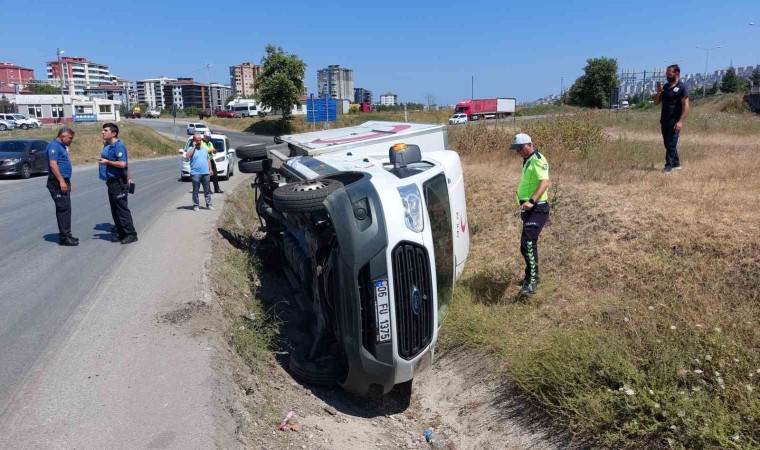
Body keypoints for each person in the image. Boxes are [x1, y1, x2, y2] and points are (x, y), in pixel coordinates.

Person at [511, 133, 550, 296]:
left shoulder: (538, 159)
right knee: (525, 245)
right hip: (529, 210)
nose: (518, 152)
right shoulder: (527, 160)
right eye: (516, 150)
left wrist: (532, 201)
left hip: (538, 208)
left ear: (529, 145)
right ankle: (531, 276)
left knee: (527, 244)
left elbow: (544, 182)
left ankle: (532, 282)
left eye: (520, 148)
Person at [99, 123, 138, 244]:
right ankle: (121, 233)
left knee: (122, 209)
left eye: (105, 130)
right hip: (110, 181)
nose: (103, 132)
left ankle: (131, 234)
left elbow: (123, 164)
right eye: (103, 130)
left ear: (113, 133)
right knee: (115, 209)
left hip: (118, 181)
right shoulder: (108, 145)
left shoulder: (119, 146)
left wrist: (107, 162)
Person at [654, 64, 690, 173]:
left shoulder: (682, 87)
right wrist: (658, 92)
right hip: (664, 120)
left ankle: (668, 166)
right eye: (666, 74)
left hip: (675, 121)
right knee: (667, 143)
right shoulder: (665, 87)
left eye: (669, 74)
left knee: (671, 143)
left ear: (677, 73)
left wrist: (680, 121)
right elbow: (656, 103)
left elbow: (686, 106)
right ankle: (676, 163)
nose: (667, 76)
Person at [46, 127, 78, 246]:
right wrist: (61, 181)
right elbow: (53, 165)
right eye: (70, 138)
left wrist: (67, 181)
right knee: (63, 209)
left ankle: (67, 235)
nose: (71, 140)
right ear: (62, 136)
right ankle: (64, 238)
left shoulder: (61, 147)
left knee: (66, 208)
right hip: (56, 182)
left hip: (63, 180)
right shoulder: (54, 146)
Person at [186, 133, 214, 211]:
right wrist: (194, 147)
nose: (198, 142)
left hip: (205, 173)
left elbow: (208, 159)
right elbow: (188, 156)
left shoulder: (204, 149)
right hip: (195, 173)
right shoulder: (190, 149)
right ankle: (196, 205)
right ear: (194, 141)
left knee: (207, 190)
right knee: (195, 190)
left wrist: (210, 169)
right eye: (197, 140)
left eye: (199, 140)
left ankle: (209, 204)